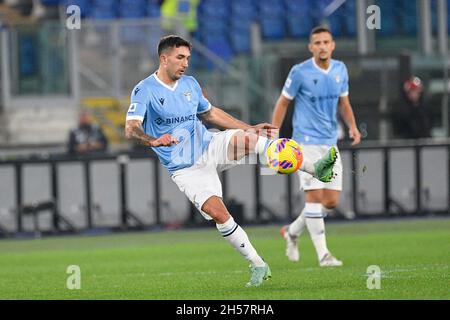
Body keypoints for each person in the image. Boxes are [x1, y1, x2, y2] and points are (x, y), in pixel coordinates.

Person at [124, 35, 337, 287]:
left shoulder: (190, 84)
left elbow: (211, 113)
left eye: (188, 58)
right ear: (164, 58)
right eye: (180, 57)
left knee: (247, 140)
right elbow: (131, 128)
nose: (185, 63)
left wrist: (250, 128)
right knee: (218, 213)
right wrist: (153, 141)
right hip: (186, 167)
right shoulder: (144, 89)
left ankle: (315, 168)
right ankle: (258, 265)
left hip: (209, 145)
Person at [271, 26, 361, 267]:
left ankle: (292, 231)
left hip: (329, 143)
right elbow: (282, 103)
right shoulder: (299, 72)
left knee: (330, 202)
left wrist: (352, 126)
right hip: (305, 143)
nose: (322, 46)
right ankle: (324, 255)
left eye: (326, 42)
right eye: (317, 42)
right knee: (314, 196)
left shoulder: (340, 69)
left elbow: (344, 103)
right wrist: (274, 133)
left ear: (332, 45)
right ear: (311, 47)